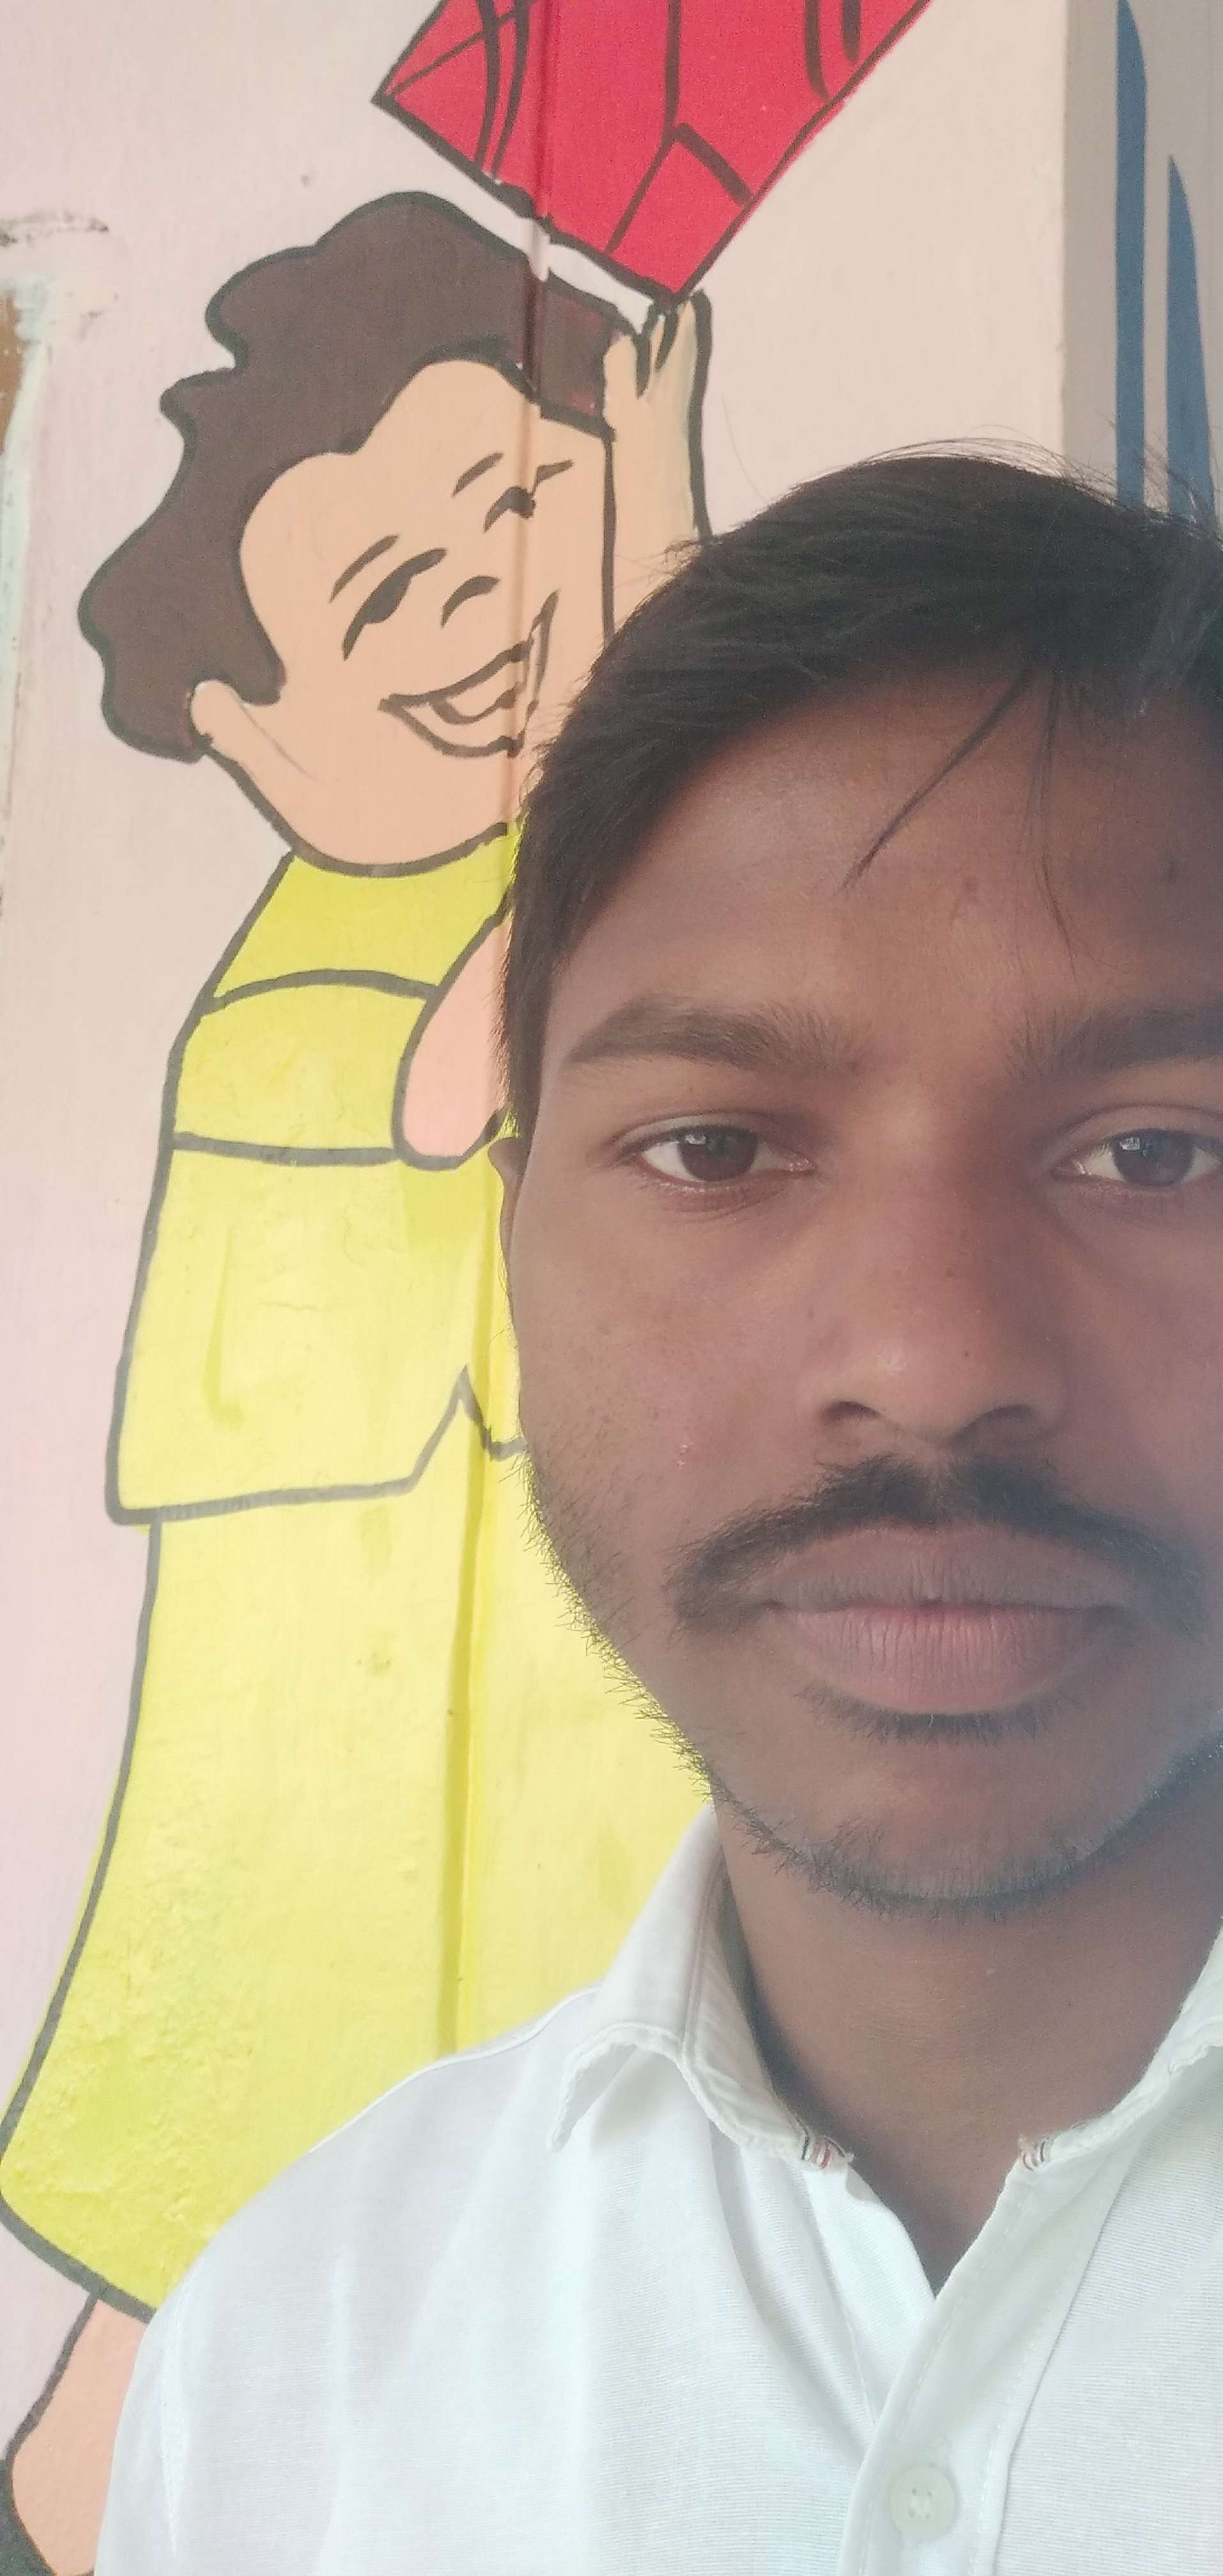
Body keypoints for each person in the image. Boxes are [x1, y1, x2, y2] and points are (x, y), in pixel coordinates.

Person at [98, 456, 1223, 2573]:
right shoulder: (286, 2366)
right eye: (715, 1149)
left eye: (1151, 1153)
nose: (934, 1357)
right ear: (514, 1257)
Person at [1, 194, 709, 2569]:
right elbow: (463, 1067)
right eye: (383, 597)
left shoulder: (557, 887)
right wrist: (662, 608)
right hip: (315, 1734)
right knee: (223, 2212)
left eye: (517, 505)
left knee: (521, 2209)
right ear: (241, 728)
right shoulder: (314, 968)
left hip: (519, 1704)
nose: (477, 608)